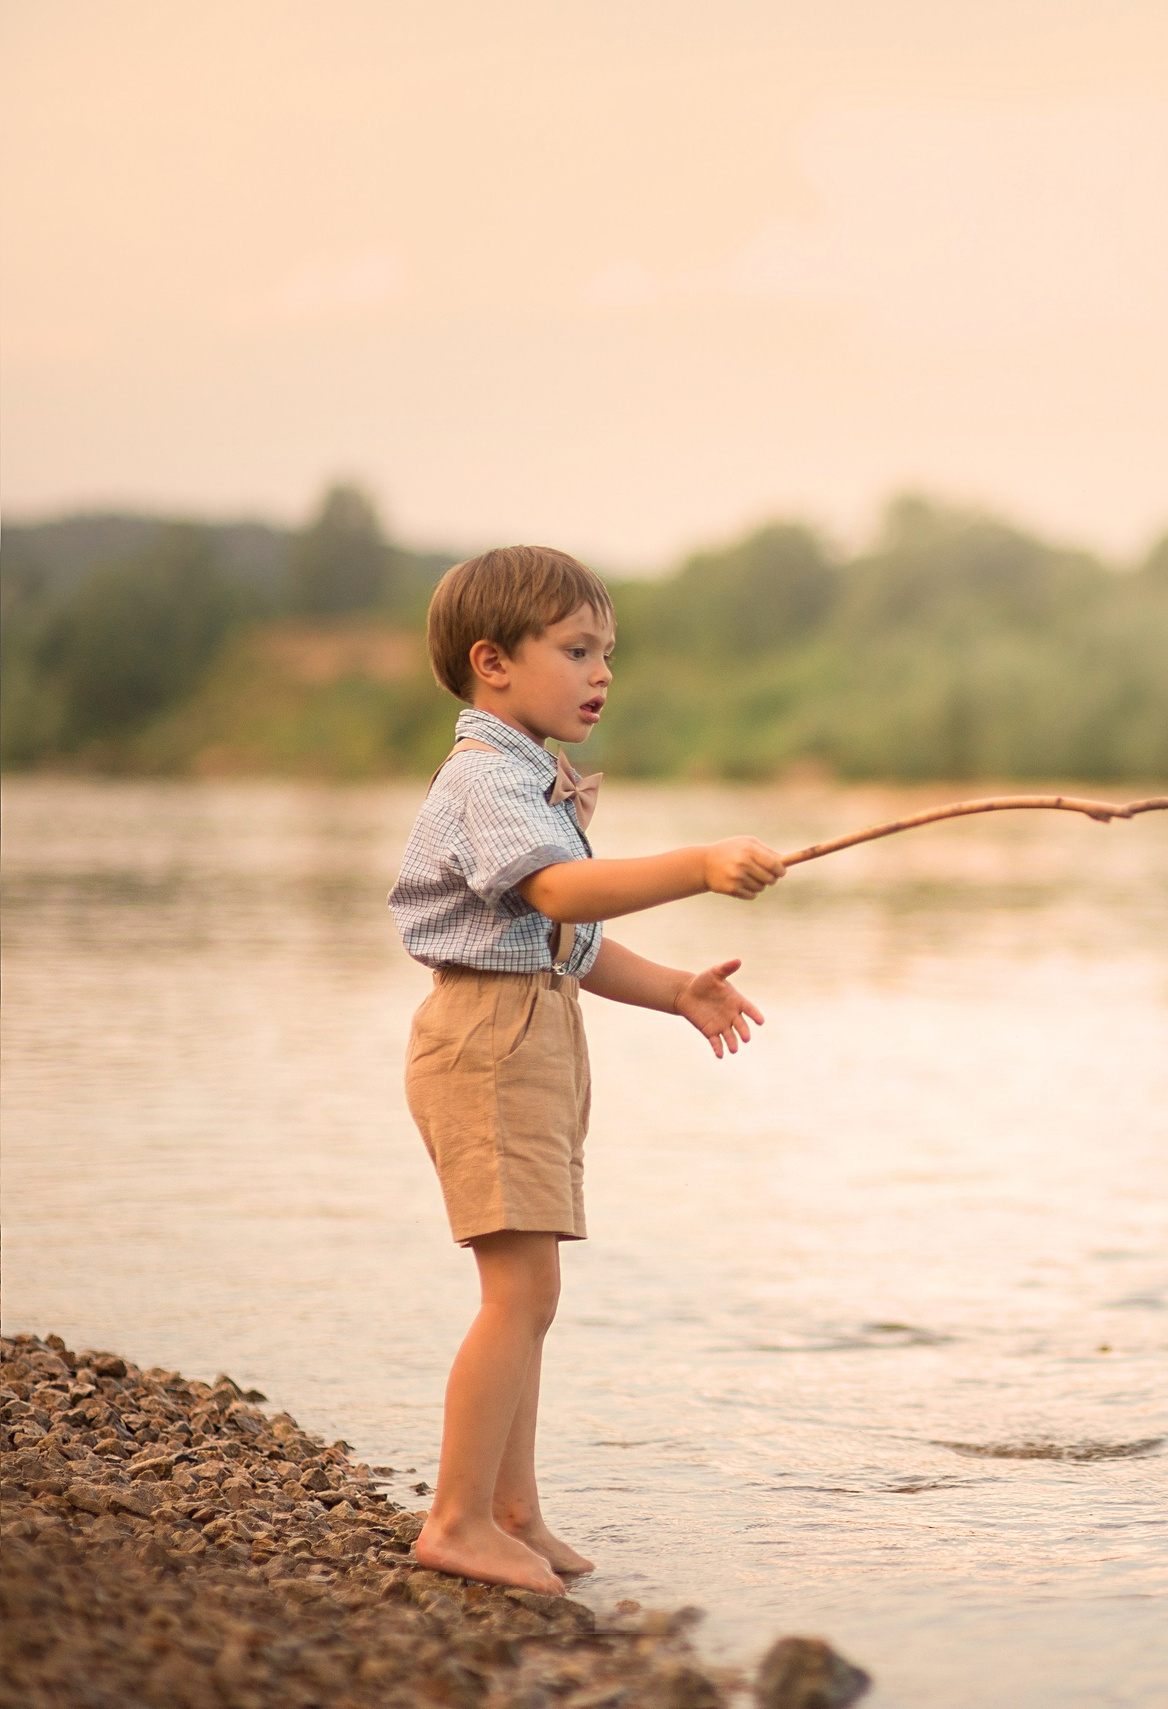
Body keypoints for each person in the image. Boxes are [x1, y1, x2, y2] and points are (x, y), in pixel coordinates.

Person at [387, 545, 787, 1593]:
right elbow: (562, 893)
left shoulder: (527, 776)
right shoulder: (487, 776)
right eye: (576, 650)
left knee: (535, 1288)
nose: (601, 672)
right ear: (493, 662)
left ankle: (511, 1509)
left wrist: (677, 989)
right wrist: (698, 865)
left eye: (607, 652)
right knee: (517, 1289)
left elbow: (566, 940)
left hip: (531, 1028)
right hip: (490, 1040)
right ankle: (456, 1518)